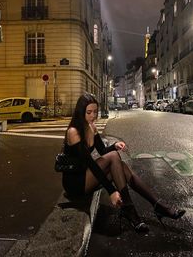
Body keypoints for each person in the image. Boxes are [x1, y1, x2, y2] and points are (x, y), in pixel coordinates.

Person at [62, 93, 185, 233]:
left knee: (121, 166)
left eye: (95, 112)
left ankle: (155, 205)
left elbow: (102, 151)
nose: (93, 116)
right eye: (89, 112)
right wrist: (112, 191)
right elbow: (91, 164)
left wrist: (115, 145)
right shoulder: (74, 132)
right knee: (114, 158)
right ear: (81, 112)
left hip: (87, 175)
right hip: (75, 182)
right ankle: (137, 208)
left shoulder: (92, 127)